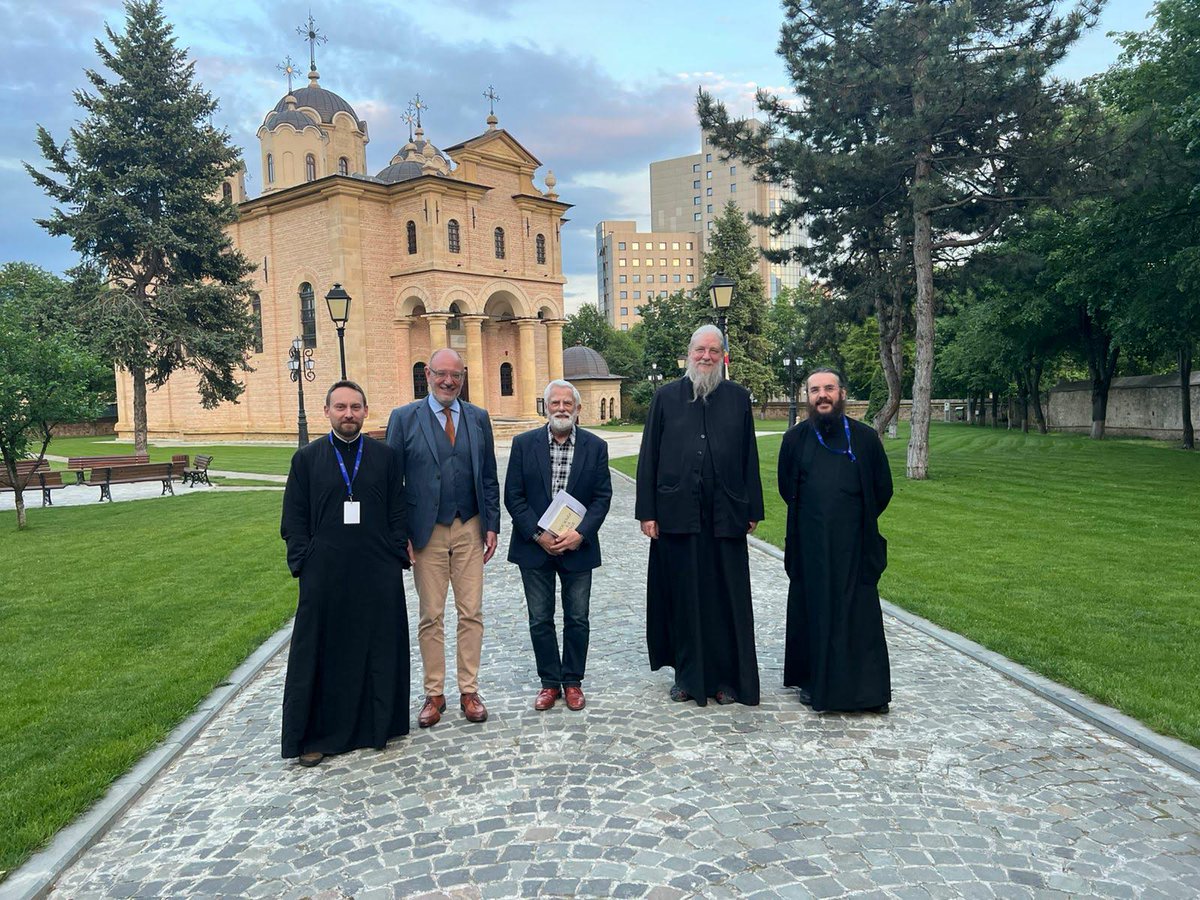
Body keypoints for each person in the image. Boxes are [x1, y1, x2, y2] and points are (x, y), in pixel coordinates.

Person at [280, 381, 411, 767]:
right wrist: (305, 560)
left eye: (355, 407)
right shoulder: (306, 460)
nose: (348, 414)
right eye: (340, 407)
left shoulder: (385, 457)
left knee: (377, 645)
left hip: (376, 570)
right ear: (327, 412)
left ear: (366, 411)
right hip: (326, 573)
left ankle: (378, 725)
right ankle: (316, 735)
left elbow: (397, 510)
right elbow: (294, 518)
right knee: (321, 650)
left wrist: (394, 550)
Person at [635, 324, 763, 706]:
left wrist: (752, 507)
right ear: (688, 354)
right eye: (699, 350)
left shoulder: (738, 398)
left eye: (713, 350)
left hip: (725, 514)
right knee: (683, 596)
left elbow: (748, 456)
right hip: (677, 514)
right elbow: (649, 457)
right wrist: (647, 512)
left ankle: (726, 678)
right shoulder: (665, 397)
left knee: (725, 597)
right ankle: (687, 676)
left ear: (722, 356)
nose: (706, 356)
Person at [386, 349, 500, 727]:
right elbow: (392, 482)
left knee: (472, 612)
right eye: (441, 374)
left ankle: (469, 690)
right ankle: (434, 693)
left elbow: (488, 476)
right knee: (430, 616)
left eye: (456, 375)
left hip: (469, 525)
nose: (449, 381)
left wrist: (492, 524)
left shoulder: (478, 417)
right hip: (426, 532)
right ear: (428, 375)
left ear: (463, 378)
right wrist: (399, 531)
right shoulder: (404, 418)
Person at [777, 368, 894, 713]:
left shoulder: (865, 438)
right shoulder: (794, 440)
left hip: (856, 545)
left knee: (859, 614)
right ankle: (815, 682)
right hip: (812, 545)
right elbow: (788, 489)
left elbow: (882, 489)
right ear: (807, 397)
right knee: (816, 611)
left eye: (829, 388)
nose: (822, 395)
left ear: (842, 393)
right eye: (815, 390)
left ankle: (866, 690)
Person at [505, 380, 612, 711]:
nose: (562, 408)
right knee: (540, 618)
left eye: (568, 403)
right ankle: (549, 683)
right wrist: (538, 535)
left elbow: (601, 497)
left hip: (577, 545)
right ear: (546, 407)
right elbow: (514, 495)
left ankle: (573, 681)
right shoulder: (524, 444)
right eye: (555, 403)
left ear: (578, 409)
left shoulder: (595, 446)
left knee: (577, 618)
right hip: (535, 547)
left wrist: (580, 533)